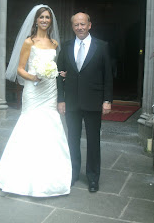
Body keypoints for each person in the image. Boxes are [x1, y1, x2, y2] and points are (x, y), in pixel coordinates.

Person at [0, 4, 72, 197]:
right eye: (41, 17)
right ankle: (22, 173)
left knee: (50, 126)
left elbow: (53, 66)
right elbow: (19, 68)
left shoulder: (54, 43)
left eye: (47, 18)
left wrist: (59, 73)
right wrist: (34, 77)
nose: (44, 20)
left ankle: (51, 173)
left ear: (51, 21)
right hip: (33, 91)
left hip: (50, 89)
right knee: (30, 126)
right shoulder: (29, 42)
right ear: (36, 20)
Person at [57, 12, 113, 192]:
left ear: (89, 25)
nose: (79, 27)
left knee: (93, 141)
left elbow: (108, 76)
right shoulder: (65, 47)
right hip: (72, 102)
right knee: (72, 139)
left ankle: (93, 177)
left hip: (93, 101)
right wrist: (61, 99)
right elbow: (59, 74)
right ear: (72, 27)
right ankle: (73, 173)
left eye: (83, 24)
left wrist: (107, 100)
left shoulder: (102, 46)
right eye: (76, 25)